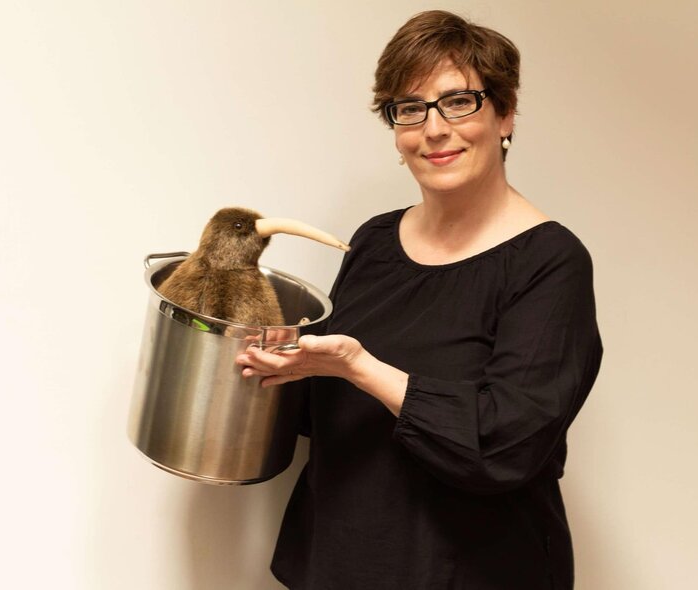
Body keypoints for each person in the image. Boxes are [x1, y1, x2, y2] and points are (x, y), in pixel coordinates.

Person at [236, 9, 603, 589]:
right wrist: (269, 351)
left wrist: (359, 367)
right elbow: (327, 415)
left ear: (505, 114)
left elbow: (503, 445)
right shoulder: (375, 241)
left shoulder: (548, 262)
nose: (433, 129)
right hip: (339, 563)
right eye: (409, 108)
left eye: (459, 102)